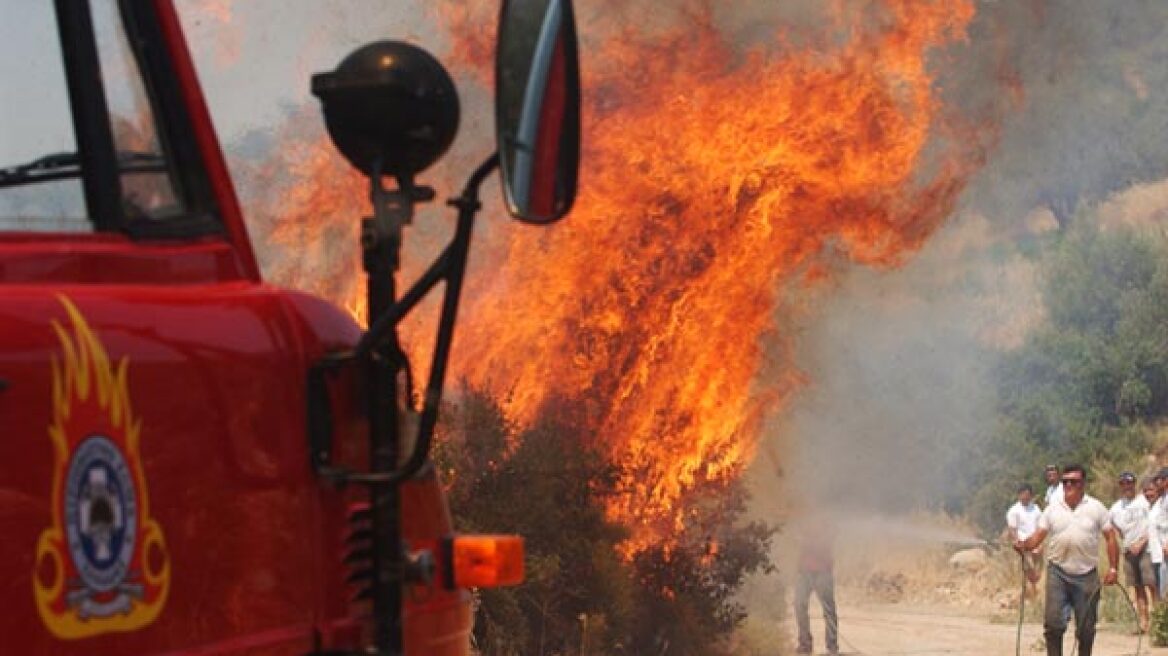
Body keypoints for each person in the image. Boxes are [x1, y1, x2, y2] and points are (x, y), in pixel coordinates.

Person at [1016, 463, 1119, 656]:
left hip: (1087, 575)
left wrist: (1113, 568)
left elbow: (1111, 537)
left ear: (1083, 484)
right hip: (1058, 574)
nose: (1069, 485)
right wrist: (1024, 545)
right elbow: (1037, 538)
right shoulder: (1052, 510)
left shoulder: (1096, 508)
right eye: (1065, 482)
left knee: (1086, 629)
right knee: (1053, 625)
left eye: (1074, 481)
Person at [1108, 472, 1156, 631]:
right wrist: (1125, 541)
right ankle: (1144, 622)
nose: (1126, 486)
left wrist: (1142, 541)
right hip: (1129, 551)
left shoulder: (1145, 501)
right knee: (1137, 587)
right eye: (1123, 483)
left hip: (1146, 548)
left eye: (1129, 483)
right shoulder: (1115, 508)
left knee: (1151, 584)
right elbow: (1112, 526)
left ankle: (1158, 619)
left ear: (1134, 484)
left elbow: (1154, 524)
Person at [793, 515, 838, 656]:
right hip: (804, 571)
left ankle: (832, 645)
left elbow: (824, 543)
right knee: (799, 604)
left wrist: (805, 542)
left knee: (828, 609)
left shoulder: (827, 520)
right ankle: (804, 643)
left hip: (823, 571)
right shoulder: (801, 517)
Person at [1007, 483, 1043, 595]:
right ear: (1019, 495)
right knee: (1029, 569)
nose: (1025, 497)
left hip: (1036, 542)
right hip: (1023, 544)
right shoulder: (1014, 510)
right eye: (1023, 494)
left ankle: (1037, 591)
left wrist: (1041, 542)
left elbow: (1040, 525)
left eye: (1028, 495)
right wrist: (1017, 541)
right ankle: (1030, 592)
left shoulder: (1036, 508)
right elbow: (1012, 528)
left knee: (1038, 570)